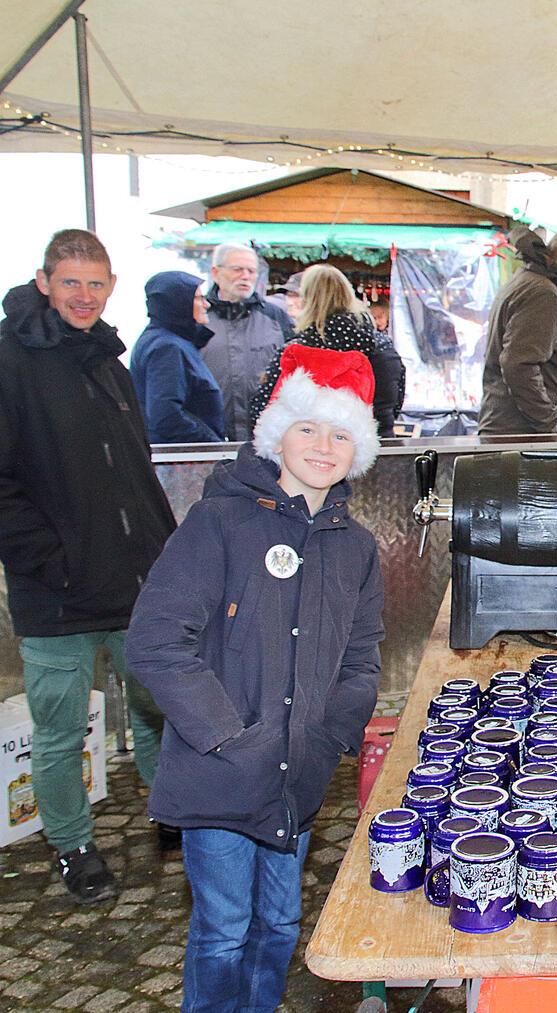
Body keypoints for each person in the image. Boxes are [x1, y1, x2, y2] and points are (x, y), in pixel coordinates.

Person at [126, 344, 384, 1013]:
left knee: (278, 925)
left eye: (339, 433)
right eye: (307, 427)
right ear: (277, 433)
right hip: (222, 773)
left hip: (297, 774)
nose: (322, 446)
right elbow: (156, 641)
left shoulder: (355, 548)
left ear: (357, 447)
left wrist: (329, 735)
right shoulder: (220, 522)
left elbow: (361, 656)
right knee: (223, 930)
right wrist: (225, 734)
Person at [0, 229, 177, 902]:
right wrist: (51, 559)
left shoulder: (109, 359)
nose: (83, 295)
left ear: (111, 288)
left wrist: (166, 552)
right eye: (70, 281)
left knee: (160, 709)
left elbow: (136, 469)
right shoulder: (10, 360)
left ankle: (171, 814)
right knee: (62, 730)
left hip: (134, 582)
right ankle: (73, 844)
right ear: (43, 281)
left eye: (96, 283)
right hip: (57, 592)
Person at [250, 264, 406, 437]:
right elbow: (396, 401)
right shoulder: (383, 346)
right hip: (377, 446)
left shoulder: (298, 351)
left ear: (308, 300)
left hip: (314, 451)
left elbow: (264, 412)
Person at [478, 227, 557, 435]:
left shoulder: (523, 281)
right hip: (524, 435)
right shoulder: (543, 294)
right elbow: (519, 365)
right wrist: (551, 426)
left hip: (508, 428)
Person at [200, 243, 293, 441]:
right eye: (237, 269)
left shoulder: (275, 317)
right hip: (211, 437)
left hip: (266, 438)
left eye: (251, 271)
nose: (245, 276)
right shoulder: (199, 317)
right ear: (216, 272)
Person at [130, 273, 226, 443]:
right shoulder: (167, 347)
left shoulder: (168, 340)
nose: (207, 304)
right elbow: (166, 416)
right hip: (180, 460)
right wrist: (212, 445)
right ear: (178, 303)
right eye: (198, 298)